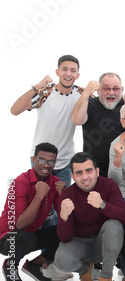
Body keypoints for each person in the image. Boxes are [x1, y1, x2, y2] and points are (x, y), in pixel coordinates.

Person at [55, 152, 125, 281]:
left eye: (89, 171)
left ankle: (106, 276)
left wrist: (102, 205)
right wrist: (63, 217)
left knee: (114, 225)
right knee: (61, 262)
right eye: (79, 173)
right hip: (80, 243)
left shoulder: (109, 185)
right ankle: (85, 270)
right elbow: (65, 238)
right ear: (73, 176)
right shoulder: (67, 196)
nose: (85, 177)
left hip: (104, 243)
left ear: (97, 171)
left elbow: (123, 217)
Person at [0, 143, 69, 281]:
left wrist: (63, 194)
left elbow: (65, 219)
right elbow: (20, 225)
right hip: (7, 238)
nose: (46, 165)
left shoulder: (55, 182)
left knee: (67, 232)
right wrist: (39, 196)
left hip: (30, 235)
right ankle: (10, 265)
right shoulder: (21, 182)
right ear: (33, 160)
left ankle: (33, 264)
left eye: (51, 162)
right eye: (42, 160)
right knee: (28, 237)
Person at [10, 55, 82, 188]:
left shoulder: (81, 94)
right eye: (64, 69)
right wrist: (37, 86)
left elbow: (104, 101)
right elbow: (15, 110)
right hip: (40, 159)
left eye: (72, 70)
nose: (68, 73)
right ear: (57, 72)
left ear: (77, 75)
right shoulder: (46, 92)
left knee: (61, 204)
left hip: (65, 161)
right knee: (39, 201)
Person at [71, 72, 125, 177]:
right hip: (95, 169)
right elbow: (77, 120)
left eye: (115, 88)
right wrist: (86, 93)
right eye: (106, 88)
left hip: (123, 167)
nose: (111, 92)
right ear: (98, 90)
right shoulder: (90, 105)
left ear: (121, 90)